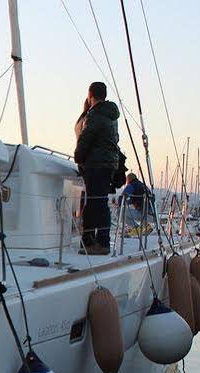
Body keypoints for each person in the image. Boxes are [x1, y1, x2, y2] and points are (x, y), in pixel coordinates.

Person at [74, 81, 121, 254]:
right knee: (100, 203)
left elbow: (85, 139)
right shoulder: (110, 115)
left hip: (96, 165)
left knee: (95, 204)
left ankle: (99, 243)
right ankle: (99, 241)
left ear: (90, 95)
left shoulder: (95, 115)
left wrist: (78, 157)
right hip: (107, 165)